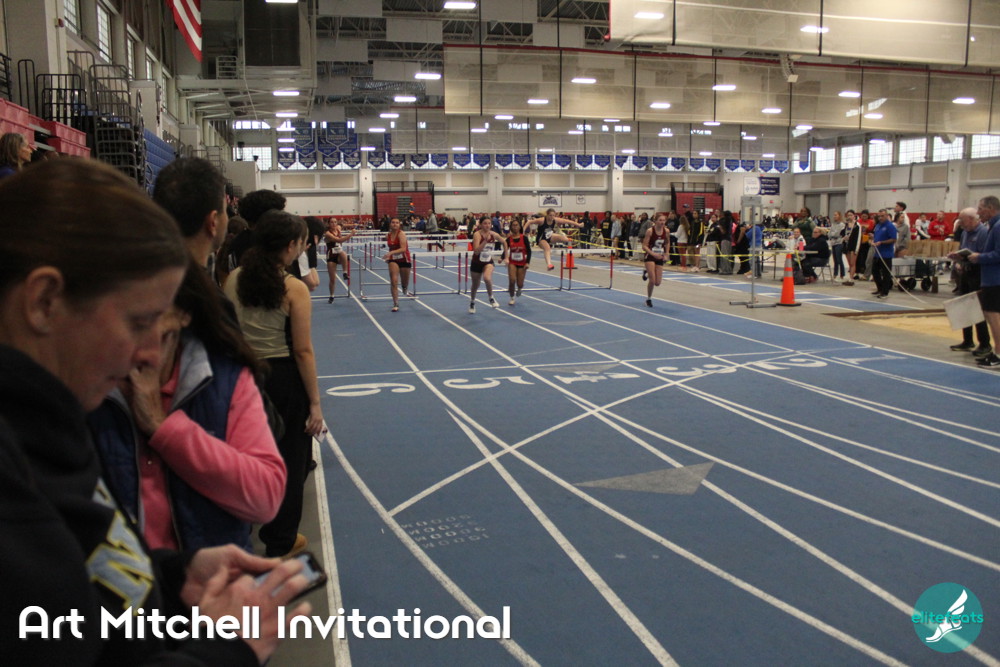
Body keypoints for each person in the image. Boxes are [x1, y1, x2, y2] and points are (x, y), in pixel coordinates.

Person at [0, 158, 311, 665]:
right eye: (138, 321)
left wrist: (172, 574)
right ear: (44, 302)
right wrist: (230, 652)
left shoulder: (47, 423)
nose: (148, 353)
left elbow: (88, 575)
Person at [89, 261, 287, 551]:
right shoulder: (87, 385)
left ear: (182, 313)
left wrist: (163, 428)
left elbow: (265, 498)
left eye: (148, 316)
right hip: (117, 578)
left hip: (212, 574)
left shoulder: (224, 379)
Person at [224, 211, 325, 557]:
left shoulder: (233, 278)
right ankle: (281, 538)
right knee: (291, 458)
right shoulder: (294, 288)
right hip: (282, 378)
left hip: (242, 374)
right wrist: (315, 403)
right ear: (291, 245)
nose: (304, 249)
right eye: (302, 243)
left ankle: (243, 522)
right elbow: (302, 350)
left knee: (246, 451)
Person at [945, 207, 991, 358]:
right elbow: (963, 250)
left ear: (971, 219)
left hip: (978, 273)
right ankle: (967, 340)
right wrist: (958, 258)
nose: (960, 223)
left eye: (962, 220)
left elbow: (984, 254)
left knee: (977, 308)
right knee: (964, 306)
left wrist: (971, 257)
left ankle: (984, 343)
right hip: (965, 271)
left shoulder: (983, 232)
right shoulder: (965, 232)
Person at [960, 196, 1000, 368]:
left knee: (993, 316)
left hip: (994, 279)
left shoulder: (997, 227)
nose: (979, 212)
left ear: (991, 208)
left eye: (981, 209)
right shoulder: (993, 226)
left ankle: (998, 354)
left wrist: (979, 257)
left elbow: (998, 254)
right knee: (991, 315)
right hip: (991, 278)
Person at [469, 216, 506, 313]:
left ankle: (491, 298)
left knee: (487, 278)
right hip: (476, 262)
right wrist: (485, 241)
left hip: (488, 261)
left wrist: (505, 257)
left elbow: (505, 242)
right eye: (485, 223)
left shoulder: (494, 234)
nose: (487, 225)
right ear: (481, 225)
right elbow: (476, 251)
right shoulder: (477, 235)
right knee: (475, 285)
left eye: (489, 223)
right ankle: (472, 302)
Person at [382, 217, 411, 312]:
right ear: (390, 224)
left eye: (397, 223)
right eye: (393, 222)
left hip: (404, 259)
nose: (395, 224)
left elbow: (403, 248)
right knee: (394, 281)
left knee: (404, 282)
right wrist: (390, 254)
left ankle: (404, 287)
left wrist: (390, 252)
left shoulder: (401, 234)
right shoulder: (388, 235)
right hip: (393, 259)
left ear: (399, 225)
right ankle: (395, 303)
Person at [642, 213, 671, 307]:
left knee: (657, 283)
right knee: (652, 280)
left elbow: (667, 242)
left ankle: (646, 272)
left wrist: (666, 253)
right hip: (650, 256)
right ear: (655, 221)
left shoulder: (666, 231)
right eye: (660, 220)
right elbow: (644, 246)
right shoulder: (650, 231)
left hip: (660, 256)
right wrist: (653, 254)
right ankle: (648, 299)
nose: (662, 222)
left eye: (664, 220)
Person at [324, 217, 355, 303]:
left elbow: (343, 224)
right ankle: (332, 295)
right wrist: (351, 234)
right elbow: (339, 240)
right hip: (331, 255)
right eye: (331, 222)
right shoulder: (327, 233)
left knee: (343, 253)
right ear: (329, 224)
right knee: (332, 279)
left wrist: (353, 225)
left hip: (339, 255)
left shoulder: (338, 228)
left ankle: (345, 273)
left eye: (335, 222)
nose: (334, 224)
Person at [871, 210, 898, 298]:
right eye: (879, 216)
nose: (880, 218)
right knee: (874, 271)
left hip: (886, 254)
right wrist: (872, 241)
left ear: (887, 216)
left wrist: (881, 242)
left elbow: (893, 239)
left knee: (886, 273)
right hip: (877, 253)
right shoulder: (878, 225)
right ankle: (880, 288)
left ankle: (885, 292)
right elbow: (875, 236)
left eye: (882, 216)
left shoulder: (890, 226)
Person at [506, 218, 531, 306]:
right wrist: (502, 258)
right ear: (511, 227)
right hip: (512, 262)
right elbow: (505, 250)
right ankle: (512, 297)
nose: (515, 227)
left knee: (520, 284)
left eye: (517, 225)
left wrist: (527, 262)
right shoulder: (509, 239)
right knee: (512, 280)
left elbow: (529, 251)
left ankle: (519, 289)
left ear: (520, 227)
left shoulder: (524, 238)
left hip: (522, 263)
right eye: (513, 225)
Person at [842, 211, 861, 286]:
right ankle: (850, 276)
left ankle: (851, 278)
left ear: (854, 216)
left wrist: (856, 248)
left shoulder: (857, 225)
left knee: (853, 263)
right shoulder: (846, 225)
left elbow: (858, 237)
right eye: (848, 215)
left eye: (851, 215)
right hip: (847, 246)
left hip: (854, 246)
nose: (849, 216)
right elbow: (843, 233)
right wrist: (843, 238)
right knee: (850, 263)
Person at [827, 211, 846, 279]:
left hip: (839, 243)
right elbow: (829, 233)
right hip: (833, 243)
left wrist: (832, 234)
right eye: (834, 215)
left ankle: (842, 274)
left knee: (839, 259)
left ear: (839, 216)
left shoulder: (842, 224)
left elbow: (838, 233)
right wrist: (831, 234)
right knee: (835, 260)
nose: (834, 216)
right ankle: (835, 274)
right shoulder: (833, 224)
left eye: (836, 215)